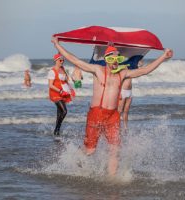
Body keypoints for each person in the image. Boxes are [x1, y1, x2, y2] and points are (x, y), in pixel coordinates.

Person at [53, 36, 173, 177]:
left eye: (118, 58)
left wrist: (163, 57)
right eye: (112, 58)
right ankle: (76, 158)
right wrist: (57, 44)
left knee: (115, 150)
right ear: (106, 59)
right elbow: (74, 60)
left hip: (113, 116)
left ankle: (112, 180)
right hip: (96, 114)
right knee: (90, 151)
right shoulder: (97, 70)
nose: (115, 61)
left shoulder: (123, 74)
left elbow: (144, 70)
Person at [48, 53, 75, 137]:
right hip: (55, 93)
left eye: (63, 60)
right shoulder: (52, 71)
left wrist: (71, 89)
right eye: (60, 60)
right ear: (56, 60)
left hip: (64, 92)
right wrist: (60, 91)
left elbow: (66, 81)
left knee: (59, 113)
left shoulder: (63, 69)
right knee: (64, 111)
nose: (62, 61)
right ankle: (57, 129)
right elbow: (50, 85)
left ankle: (56, 132)